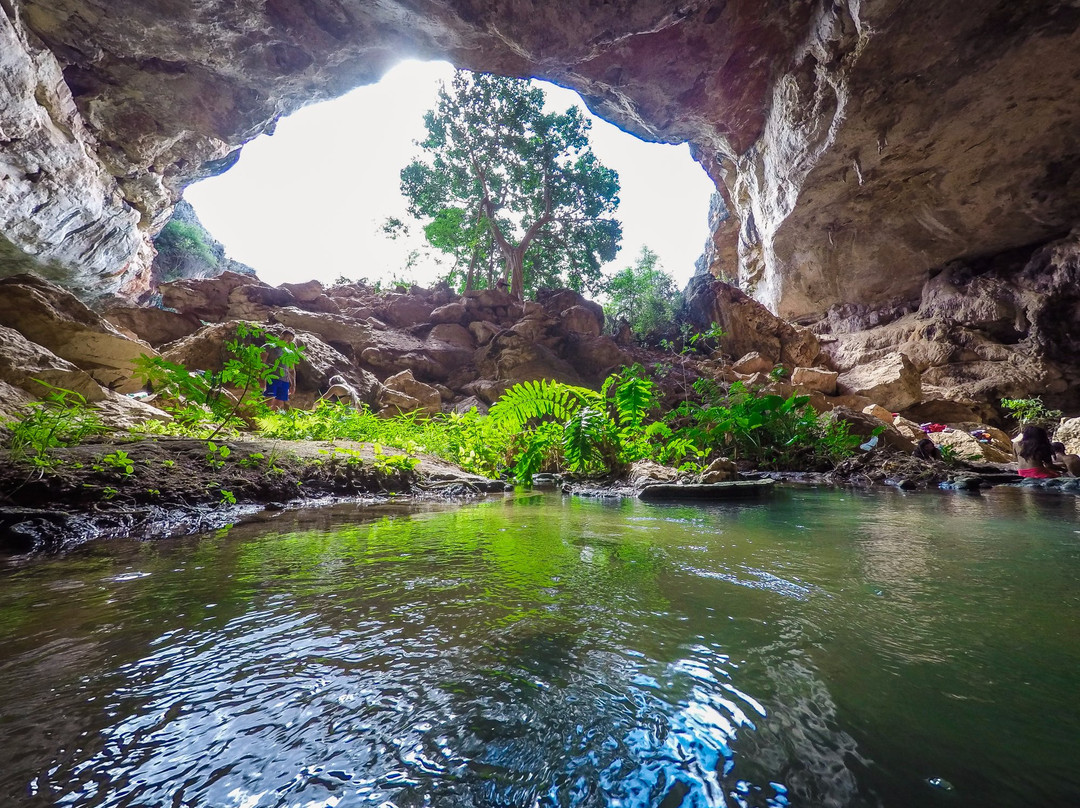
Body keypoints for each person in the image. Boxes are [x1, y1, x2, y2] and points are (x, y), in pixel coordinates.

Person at [262, 330, 296, 411]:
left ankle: (273, 419)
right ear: (281, 336)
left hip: (284, 380)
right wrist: (261, 378)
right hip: (271, 378)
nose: (288, 341)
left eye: (290, 340)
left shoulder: (290, 353)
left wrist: (293, 385)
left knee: (279, 403)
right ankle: (263, 416)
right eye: (287, 338)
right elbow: (262, 363)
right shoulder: (269, 347)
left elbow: (291, 370)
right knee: (269, 400)